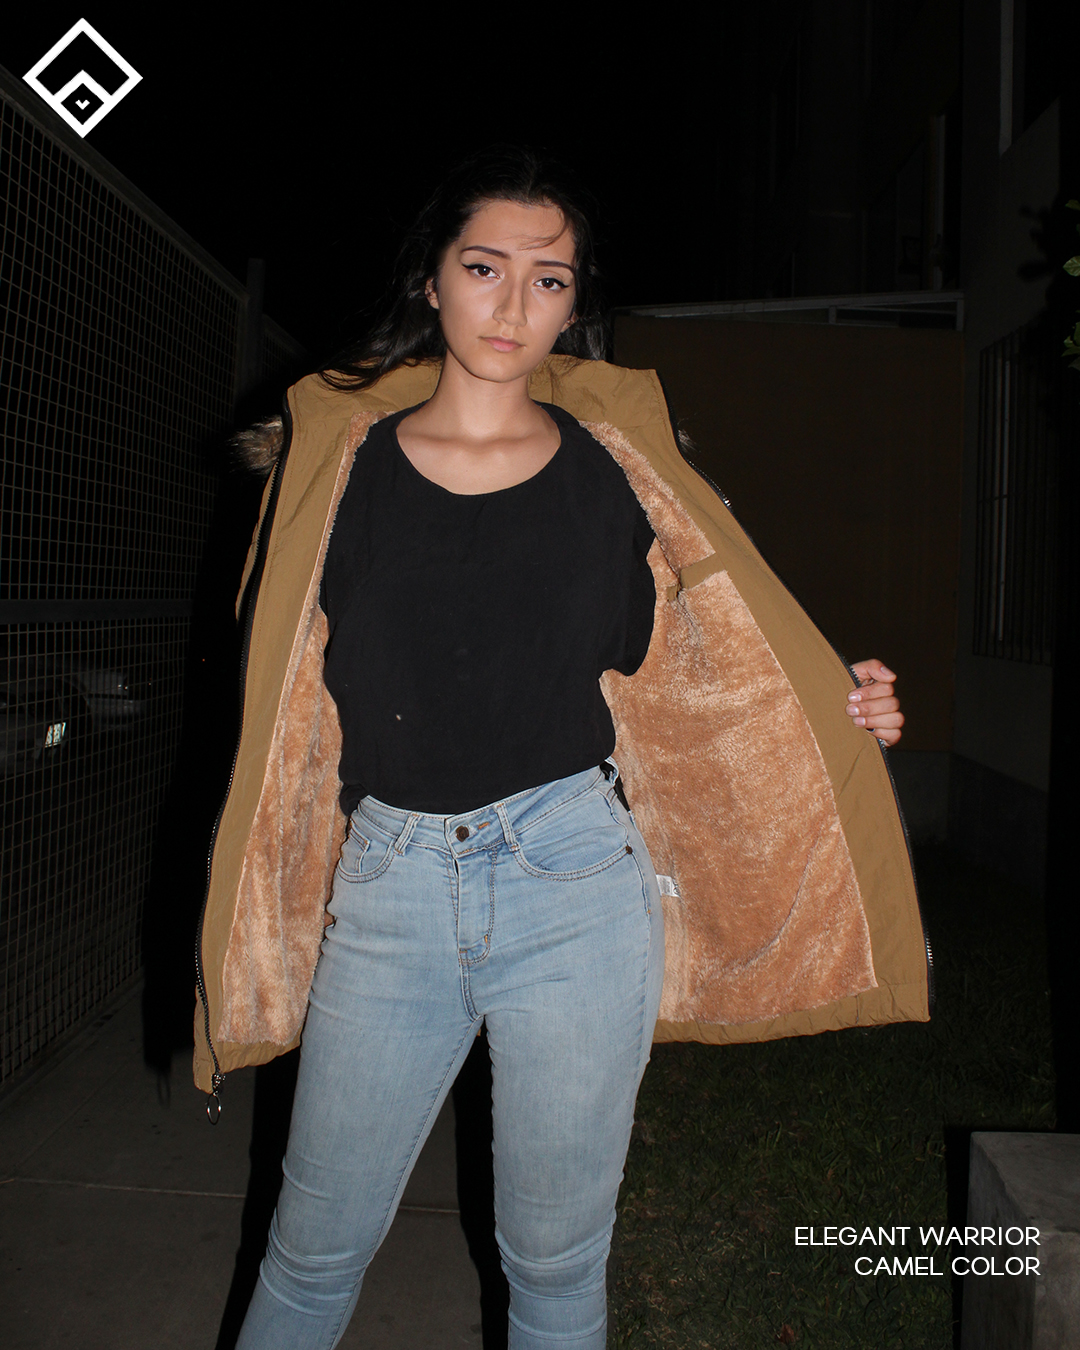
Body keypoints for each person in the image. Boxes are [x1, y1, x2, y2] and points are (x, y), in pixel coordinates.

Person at [195, 148, 922, 1349]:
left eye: (549, 280)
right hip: (388, 890)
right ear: (433, 279)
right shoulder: (334, 471)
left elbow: (719, 654)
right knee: (309, 1255)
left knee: (557, 1269)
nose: (513, 304)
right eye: (485, 268)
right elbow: (279, 696)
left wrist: (846, 698)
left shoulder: (619, 469)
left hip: (576, 885)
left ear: (574, 302)